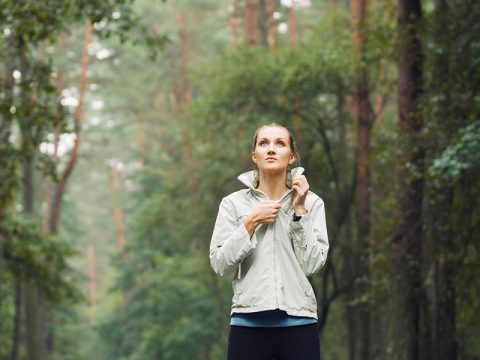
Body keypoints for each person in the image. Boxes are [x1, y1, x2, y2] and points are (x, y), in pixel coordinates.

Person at [209, 123, 329, 360]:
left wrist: (299, 211)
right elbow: (220, 264)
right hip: (247, 323)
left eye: (280, 143)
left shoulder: (312, 203)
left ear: (291, 156)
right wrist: (251, 222)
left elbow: (312, 265)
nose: (271, 149)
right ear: (254, 156)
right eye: (264, 143)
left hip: (299, 322)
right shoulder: (232, 204)